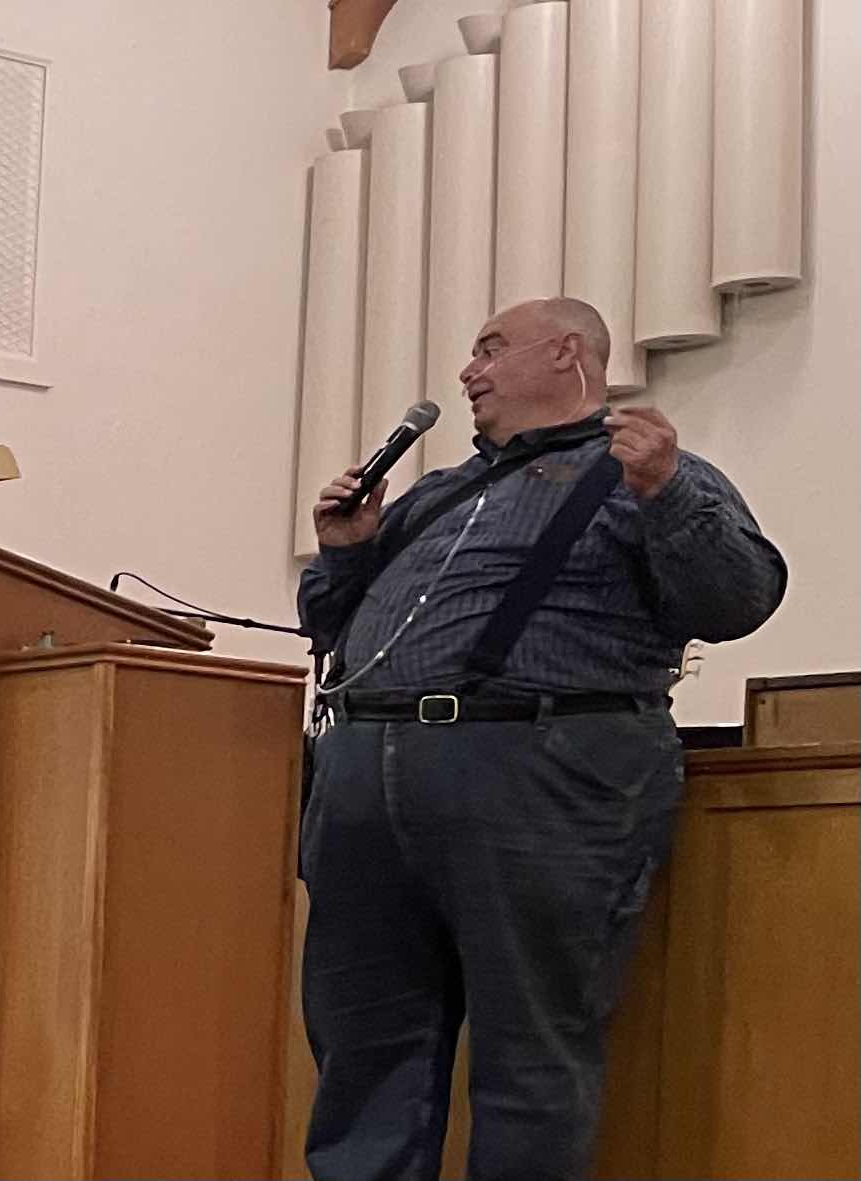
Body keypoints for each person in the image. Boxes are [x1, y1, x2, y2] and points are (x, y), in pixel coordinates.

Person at [296, 297, 786, 1180]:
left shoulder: (646, 471)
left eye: (489, 348)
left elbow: (738, 601)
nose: (467, 371)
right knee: (362, 1046)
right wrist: (345, 552)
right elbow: (333, 630)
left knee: (530, 1054)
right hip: (367, 779)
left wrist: (667, 493)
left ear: (566, 353)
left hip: (537, 775)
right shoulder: (436, 493)